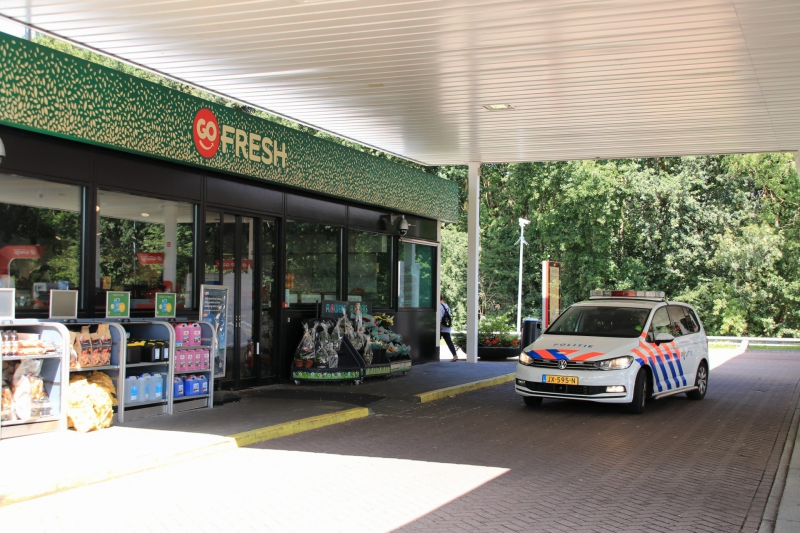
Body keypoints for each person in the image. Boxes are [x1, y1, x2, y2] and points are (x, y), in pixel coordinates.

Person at [440, 294, 458, 362]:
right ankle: (455, 355)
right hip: (446, 327)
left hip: (441, 328)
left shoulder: (439, 306)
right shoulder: (446, 306)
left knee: (434, 342)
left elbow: (439, 319)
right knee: (449, 341)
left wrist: (438, 329)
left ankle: (430, 356)